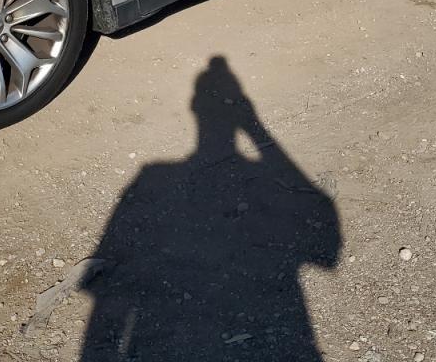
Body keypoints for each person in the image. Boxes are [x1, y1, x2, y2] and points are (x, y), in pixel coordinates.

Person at [81, 56, 341, 360]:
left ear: (193, 111)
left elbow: (104, 298)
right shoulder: (155, 177)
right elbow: (327, 245)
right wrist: (256, 129)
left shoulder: (152, 177)